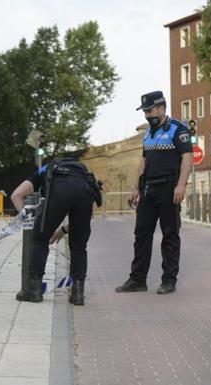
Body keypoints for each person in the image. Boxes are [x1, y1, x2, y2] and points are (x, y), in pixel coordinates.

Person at [116, 90, 193, 295]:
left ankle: (168, 280)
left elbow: (187, 157)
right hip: (148, 189)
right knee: (141, 234)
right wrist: (136, 187)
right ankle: (137, 280)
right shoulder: (148, 134)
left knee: (170, 234)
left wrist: (181, 185)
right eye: (144, 112)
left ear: (161, 108)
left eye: (149, 111)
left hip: (169, 188)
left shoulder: (178, 129)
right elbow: (143, 162)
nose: (147, 115)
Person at [11, 158, 102, 305]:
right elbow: (84, 218)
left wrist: (29, 222)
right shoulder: (81, 172)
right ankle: (77, 294)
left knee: (40, 238)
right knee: (79, 246)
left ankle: (34, 290)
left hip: (61, 190)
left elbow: (16, 195)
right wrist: (63, 230)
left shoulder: (42, 172)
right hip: (86, 192)